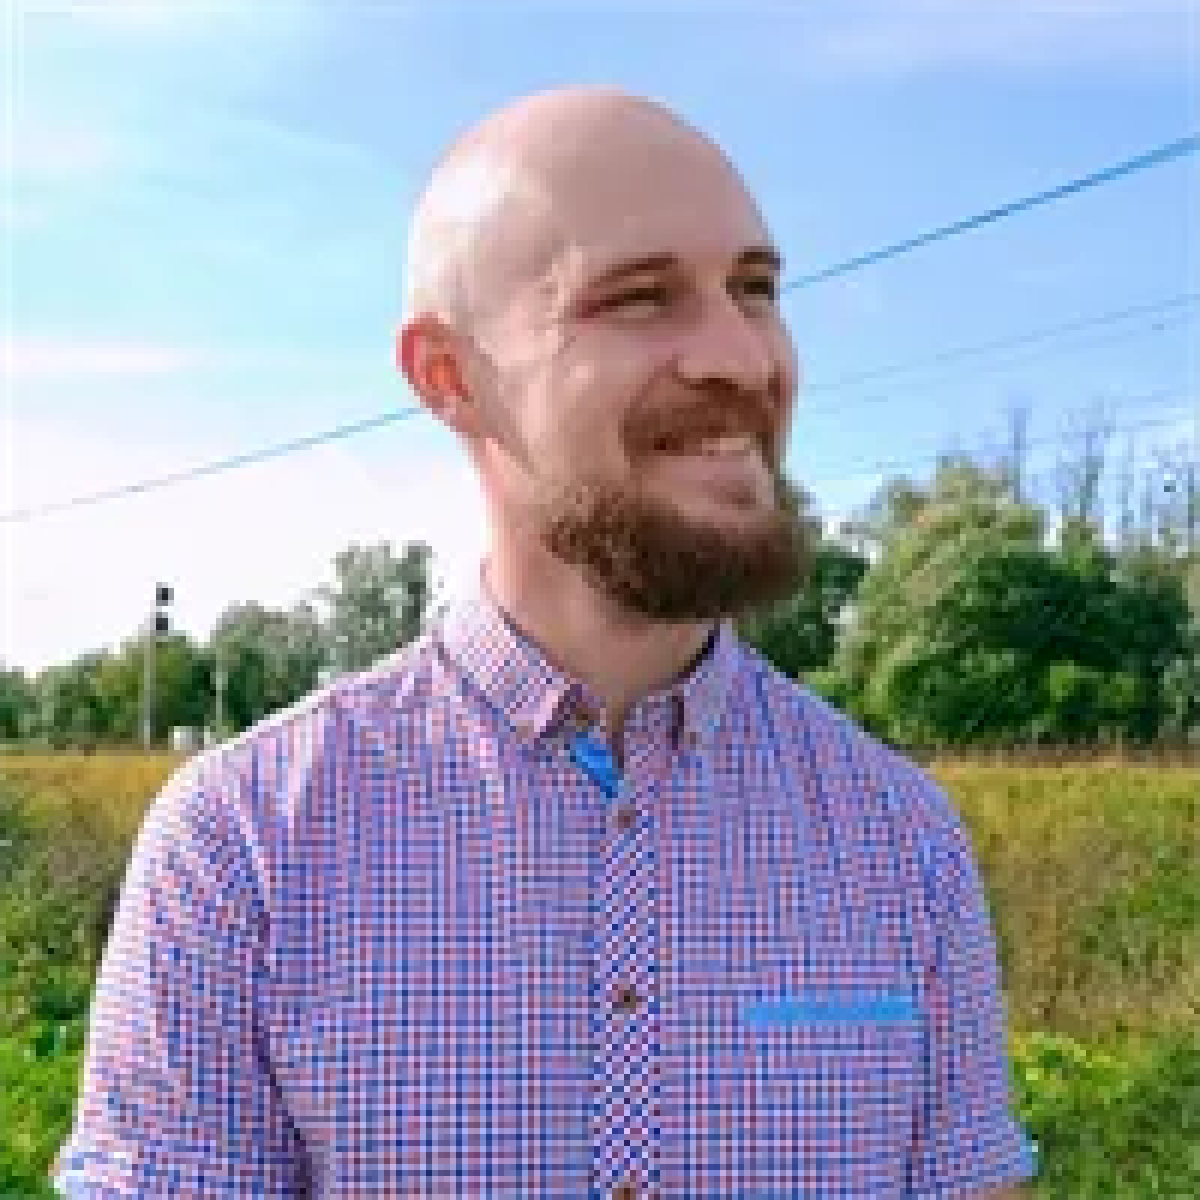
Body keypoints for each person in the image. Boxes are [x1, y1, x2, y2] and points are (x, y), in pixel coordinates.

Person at [52, 86, 1038, 1199]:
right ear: (450, 377)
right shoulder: (245, 846)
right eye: (640, 297)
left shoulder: (902, 841)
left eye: (755, 290)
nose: (742, 356)